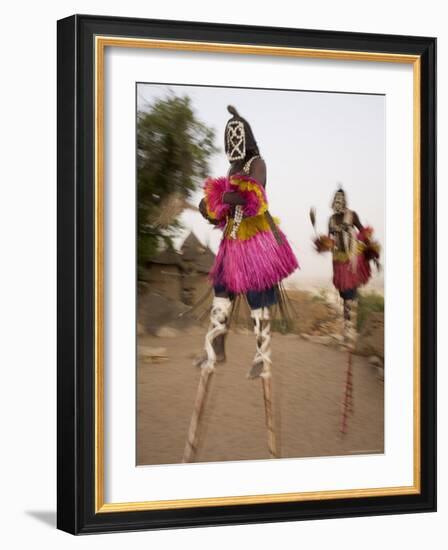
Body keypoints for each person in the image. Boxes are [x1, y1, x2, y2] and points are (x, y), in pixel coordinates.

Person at [196, 105, 299, 378]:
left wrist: (222, 198)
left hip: (256, 240)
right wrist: (210, 209)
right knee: (221, 287)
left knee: (257, 297)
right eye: (230, 137)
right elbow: (228, 209)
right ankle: (215, 347)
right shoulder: (232, 168)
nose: (233, 142)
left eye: (237, 136)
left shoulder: (257, 164)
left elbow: (255, 196)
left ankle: (262, 357)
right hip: (233, 240)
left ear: (247, 138)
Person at [313, 188, 380, 345]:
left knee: (350, 294)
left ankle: (350, 332)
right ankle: (348, 330)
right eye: (336, 199)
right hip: (338, 260)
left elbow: (363, 231)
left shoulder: (352, 215)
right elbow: (329, 239)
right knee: (344, 294)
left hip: (353, 259)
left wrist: (372, 252)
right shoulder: (331, 220)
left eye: (340, 199)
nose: (338, 202)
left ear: (344, 200)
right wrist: (323, 243)